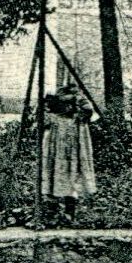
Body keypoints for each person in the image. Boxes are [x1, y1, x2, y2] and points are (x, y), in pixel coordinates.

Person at [42, 82, 96, 225]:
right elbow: (42, 118)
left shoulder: (78, 113)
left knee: (68, 175)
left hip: (70, 147)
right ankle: (53, 213)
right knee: (54, 174)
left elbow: (87, 110)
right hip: (57, 147)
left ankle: (66, 214)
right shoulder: (54, 115)